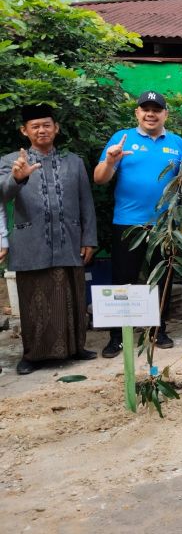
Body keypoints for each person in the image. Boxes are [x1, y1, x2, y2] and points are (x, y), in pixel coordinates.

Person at [0, 105, 97, 374]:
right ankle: (32, 355)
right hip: (31, 242)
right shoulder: (10, 161)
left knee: (72, 296)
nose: (41, 130)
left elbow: (86, 202)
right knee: (34, 301)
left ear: (56, 128)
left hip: (69, 240)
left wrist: (89, 238)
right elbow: (2, 194)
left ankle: (76, 348)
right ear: (24, 131)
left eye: (46, 125)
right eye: (35, 126)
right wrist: (16, 178)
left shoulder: (73, 161)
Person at [94, 91, 182, 358]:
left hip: (164, 226)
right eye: (145, 109)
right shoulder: (122, 139)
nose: (150, 114)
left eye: (156, 109)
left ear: (165, 114)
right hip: (128, 223)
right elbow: (100, 178)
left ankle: (158, 330)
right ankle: (117, 336)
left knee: (162, 278)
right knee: (123, 279)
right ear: (137, 113)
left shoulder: (178, 143)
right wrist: (111, 161)